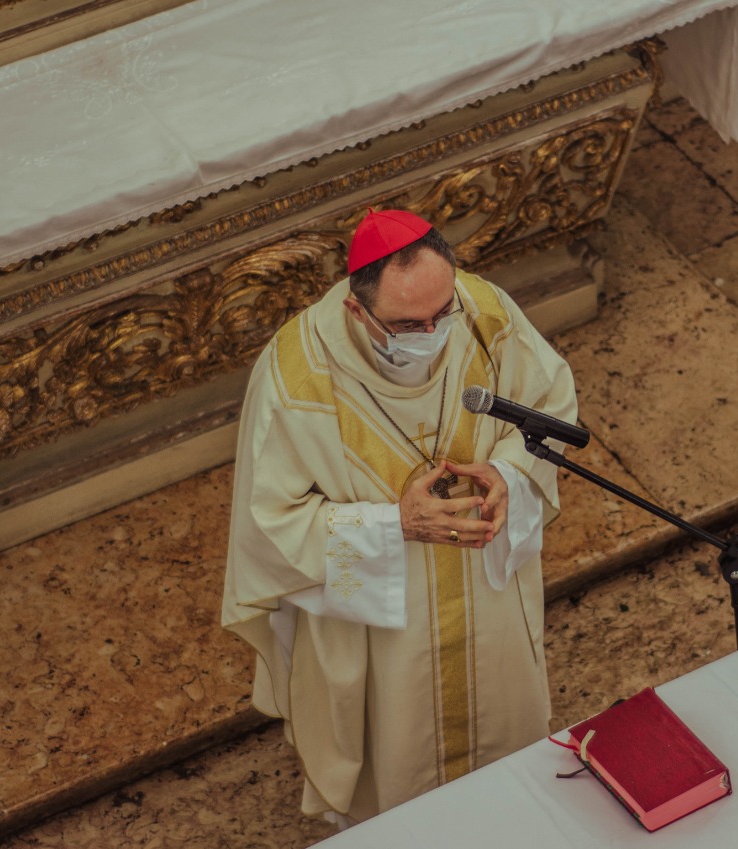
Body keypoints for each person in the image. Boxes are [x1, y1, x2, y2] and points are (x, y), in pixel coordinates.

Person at [220, 209, 578, 825]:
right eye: (410, 324)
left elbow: (551, 402)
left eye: (444, 314)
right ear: (359, 311)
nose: (434, 330)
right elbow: (269, 525)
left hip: (484, 589)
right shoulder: (296, 373)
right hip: (382, 623)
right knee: (401, 775)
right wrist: (396, 527)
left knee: (508, 784)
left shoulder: (483, 311)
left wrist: (511, 473)